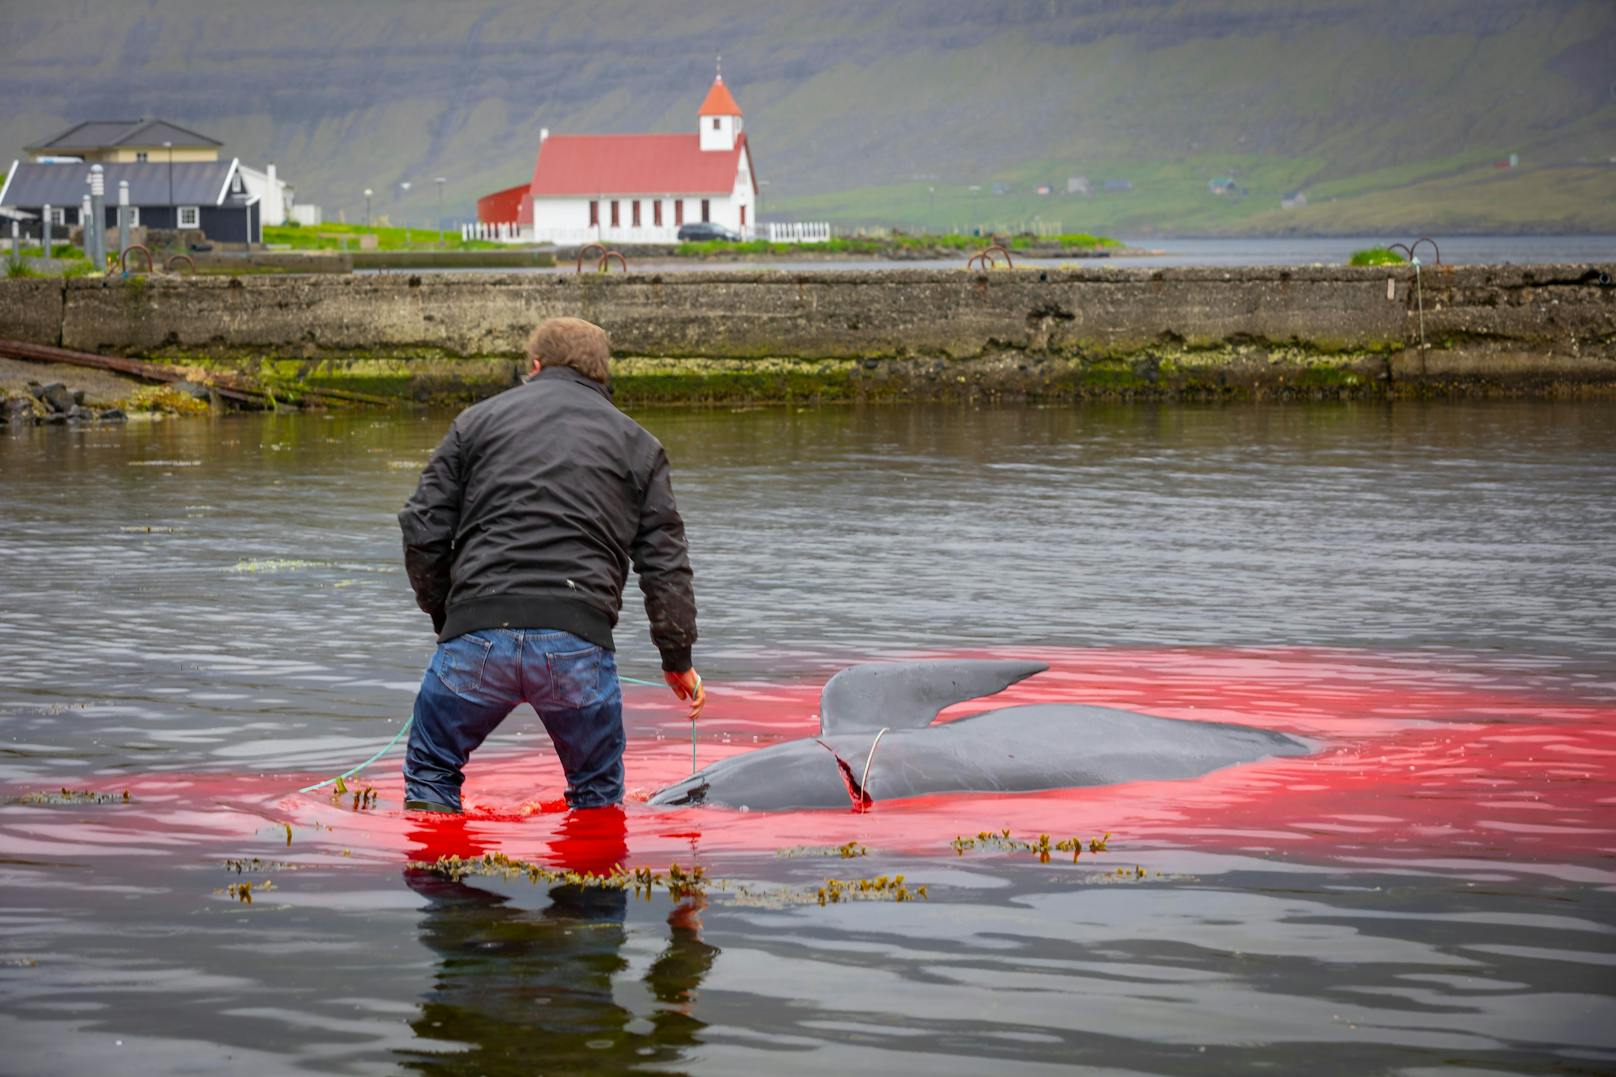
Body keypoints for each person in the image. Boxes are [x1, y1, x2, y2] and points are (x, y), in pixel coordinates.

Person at [397, 316, 703, 813]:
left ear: (535, 366)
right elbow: (665, 564)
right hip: (576, 642)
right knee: (598, 796)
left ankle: (447, 889)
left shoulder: (473, 423)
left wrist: (451, 619)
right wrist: (677, 660)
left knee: (432, 773)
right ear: (602, 375)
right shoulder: (639, 445)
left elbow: (422, 527)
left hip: (476, 632)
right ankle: (590, 888)